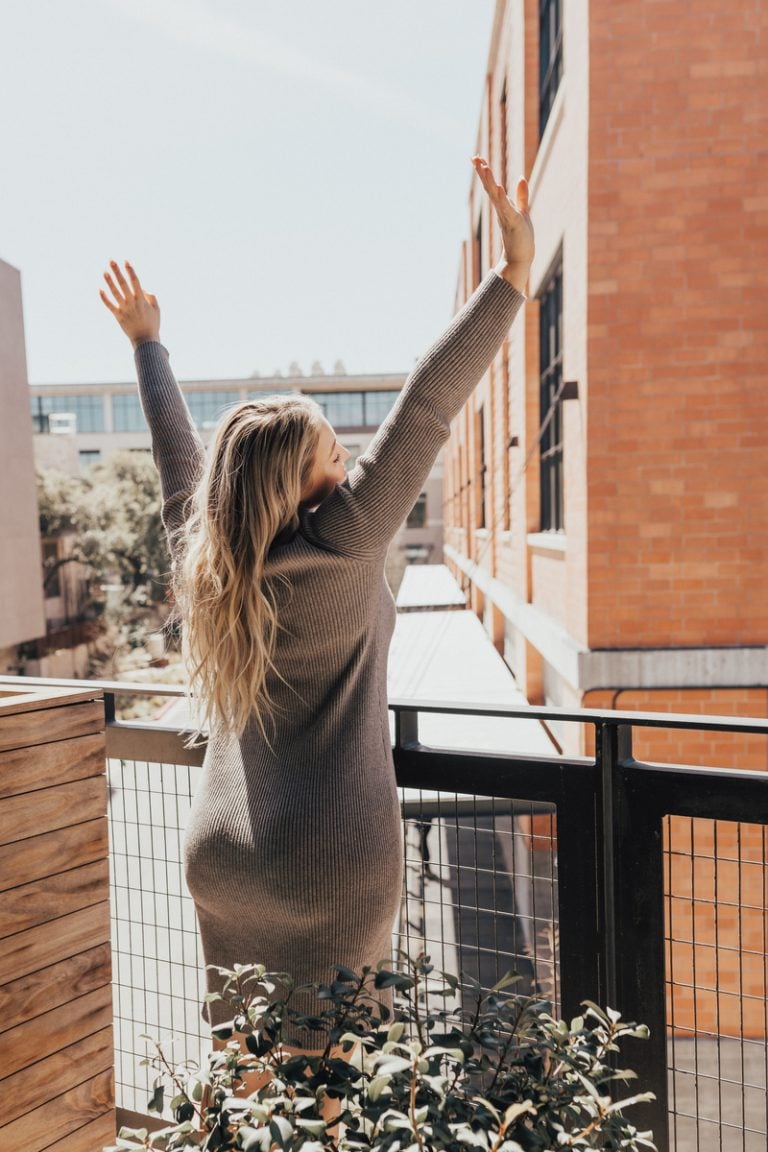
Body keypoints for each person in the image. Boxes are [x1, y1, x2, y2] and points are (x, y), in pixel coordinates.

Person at [100, 156, 534, 1052]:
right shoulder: (346, 536)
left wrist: (147, 343)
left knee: (245, 1089)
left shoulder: (210, 560)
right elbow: (427, 405)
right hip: (331, 867)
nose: (349, 467)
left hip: (221, 857)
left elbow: (179, 458)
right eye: (335, 455)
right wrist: (513, 274)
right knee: (333, 1104)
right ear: (301, 487)